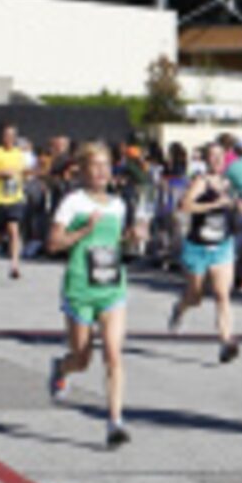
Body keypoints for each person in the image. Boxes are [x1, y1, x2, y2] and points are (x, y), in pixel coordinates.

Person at [46, 142, 140, 448]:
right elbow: (53, 243)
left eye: (106, 164)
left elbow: (117, 245)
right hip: (80, 287)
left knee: (113, 354)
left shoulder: (118, 204)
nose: (101, 171)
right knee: (82, 359)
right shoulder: (72, 202)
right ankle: (62, 368)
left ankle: (115, 422)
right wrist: (83, 231)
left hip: (112, 286)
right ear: (82, 171)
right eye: (95, 165)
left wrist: (133, 238)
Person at [168, 139, 242, 362]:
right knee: (195, 297)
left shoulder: (229, 182)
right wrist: (213, 205)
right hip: (197, 248)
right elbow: (184, 206)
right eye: (212, 156)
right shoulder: (201, 182)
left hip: (222, 246)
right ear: (205, 159)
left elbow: (237, 204)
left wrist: (239, 207)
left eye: (220, 155)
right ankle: (180, 308)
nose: (217, 159)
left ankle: (225, 342)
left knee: (222, 295)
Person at [0, 125, 35, 278]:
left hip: (15, 198)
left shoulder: (20, 154)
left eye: (12, 136)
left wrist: (30, 173)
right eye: (6, 135)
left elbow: (27, 171)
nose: (9, 139)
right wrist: (1, 173)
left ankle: (14, 265)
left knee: (14, 230)